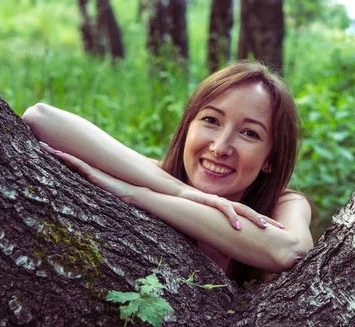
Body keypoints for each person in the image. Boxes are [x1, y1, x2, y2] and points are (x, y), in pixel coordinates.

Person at [22, 61, 313, 285]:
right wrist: (181, 191)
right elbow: (41, 118)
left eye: (249, 133)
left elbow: (290, 251)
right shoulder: (156, 174)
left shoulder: (284, 204)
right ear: (187, 127)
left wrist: (140, 196)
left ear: (270, 159)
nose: (220, 147)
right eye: (211, 120)